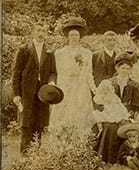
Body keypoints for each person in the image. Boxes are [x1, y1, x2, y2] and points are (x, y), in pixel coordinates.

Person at [12, 21, 57, 153]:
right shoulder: (24, 50)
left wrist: (52, 82)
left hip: (42, 93)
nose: (40, 33)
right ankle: (25, 155)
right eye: (38, 30)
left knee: (39, 123)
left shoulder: (49, 52)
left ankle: (36, 154)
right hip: (26, 92)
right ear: (33, 32)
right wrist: (16, 94)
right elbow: (16, 73)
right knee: (26, 123)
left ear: (46, 34)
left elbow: (53, 72)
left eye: (43, 31)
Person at [94, 52, 139, 164]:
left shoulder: (135, 85)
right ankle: (105, 159)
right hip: (109, 115)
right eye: (122, 68)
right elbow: (99, 101)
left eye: (127, 68)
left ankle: (124, 159)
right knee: (110, 128)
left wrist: (129, 116)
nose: (125, 70)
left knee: (125, 127)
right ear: (117, 68)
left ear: (131, 69)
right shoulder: (108, 83)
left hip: (127, 115)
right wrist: (108, 111)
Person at [49, 16, 95, 136]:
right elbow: (59, 72)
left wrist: (93, 88)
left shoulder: (87, 53)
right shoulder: (60, 53)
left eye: (76, 35)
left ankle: (79, 145)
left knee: (80, 114)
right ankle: (62, 145)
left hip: (81, 88)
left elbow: (89, 73)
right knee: (64, 114)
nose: (74, 37)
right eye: (71, 35)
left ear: (80, 37)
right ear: (68, 37)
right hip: (66, 87)